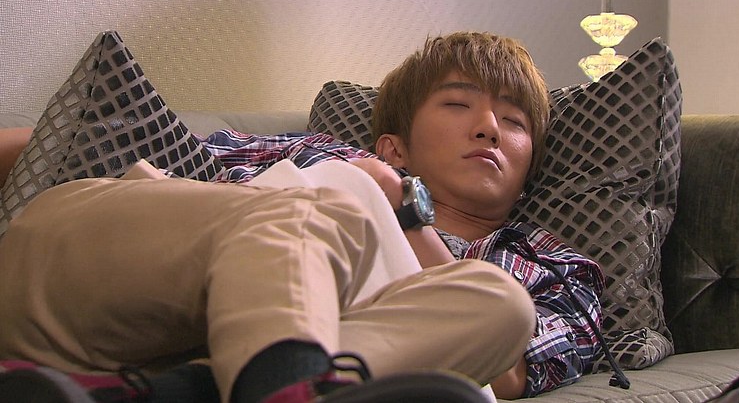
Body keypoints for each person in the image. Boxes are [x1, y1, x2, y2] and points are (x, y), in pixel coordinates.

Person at [0, 31, 608, 402]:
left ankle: (171, 391)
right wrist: (361, 187)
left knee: (501, 306)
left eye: (515, 121)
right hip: (94, 282)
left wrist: (404, 214)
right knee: (333, 203)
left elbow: (504, 376)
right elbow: (75, 145)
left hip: (146, 359)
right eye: (458, 104)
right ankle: (283, 386)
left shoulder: (551, 266)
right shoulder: (314, 152)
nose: (489, 128)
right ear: (394, 147)